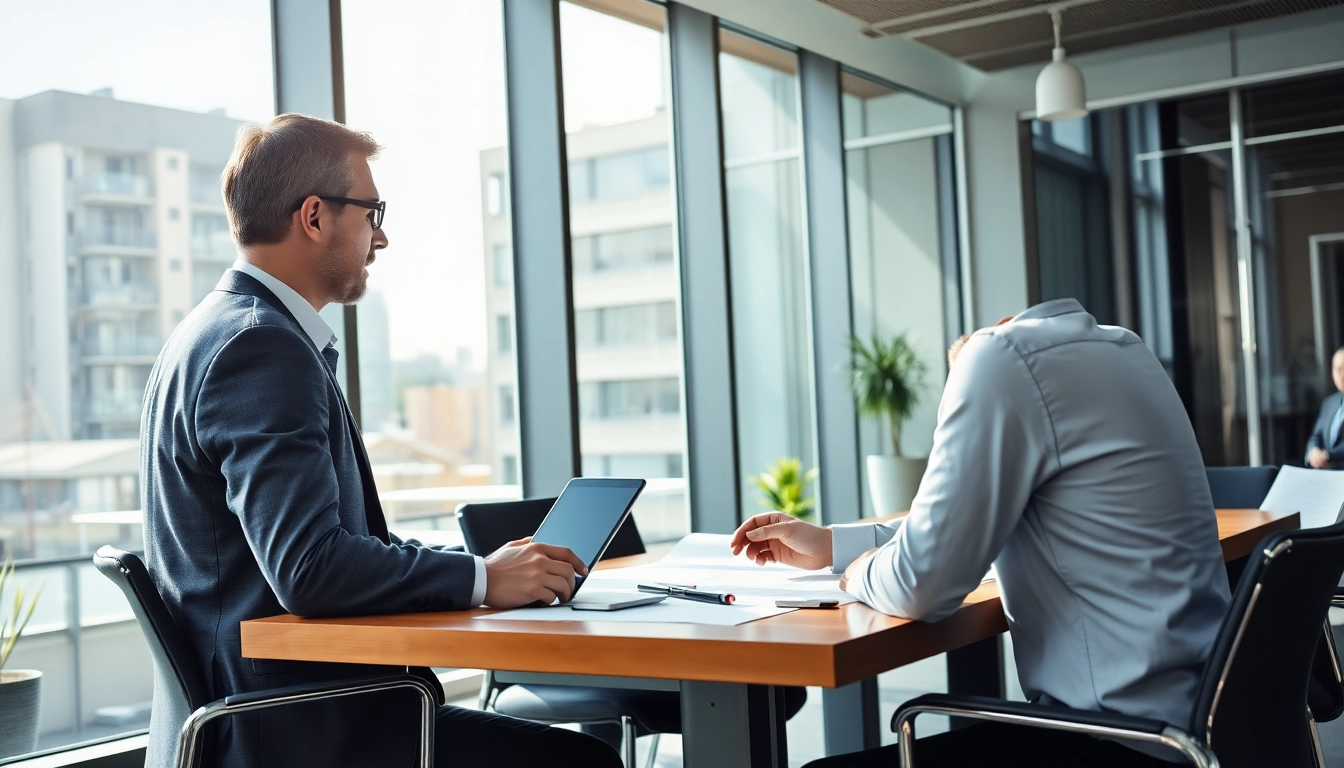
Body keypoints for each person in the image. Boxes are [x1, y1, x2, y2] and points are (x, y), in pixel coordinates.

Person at [140, 114, 621, 768]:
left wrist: (487, 567)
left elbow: (332, 547)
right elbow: (309, 569)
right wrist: (481, 578)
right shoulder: (262, 348)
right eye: (372, 212)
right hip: (300, 730)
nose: (382, 235)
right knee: (578, 762)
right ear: (313, 216)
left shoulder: (209, 331)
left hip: (279, 714)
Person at [731, 300, 1231, 767]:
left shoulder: (998, 360)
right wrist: (834, 547)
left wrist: (856, 574)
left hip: (1117, 740)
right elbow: (957, 520)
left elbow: (920, 586)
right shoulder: (1119, 349)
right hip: (1199, 725)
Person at [1306, 347, 1344, 469]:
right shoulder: (1329, 403)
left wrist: (1328, 456)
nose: (1342, 374)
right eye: (1338, 369)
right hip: (1327, 476)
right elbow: (1317, 435)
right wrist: (1313, 452)